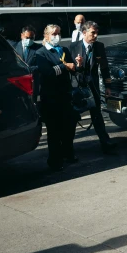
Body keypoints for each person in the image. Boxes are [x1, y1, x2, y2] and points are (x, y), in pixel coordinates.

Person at [36, 24, 83, 171]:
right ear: (46, 36)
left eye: (58, 33)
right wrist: (65, 67)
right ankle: (55, 160)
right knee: (54, 132)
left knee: (69, 128)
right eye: (54, 34)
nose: (57, 36)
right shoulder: (41, 53)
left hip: (66, 96)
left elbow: (74, 70)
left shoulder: (64, 50)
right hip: (50, 98)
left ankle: (68, 153)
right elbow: (47, 73)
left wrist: (78, 65)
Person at [70, 21, 119, 155]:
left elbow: (104, 67)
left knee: (97, 115)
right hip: (78, 86)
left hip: (93, 86)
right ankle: (68, 148)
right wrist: (78, 64)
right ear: (84, 33)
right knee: (73, 117)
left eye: (97, 32)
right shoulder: (74, 46)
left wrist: (108, 86)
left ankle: (105, 143)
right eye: (93, 32)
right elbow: (71, 69)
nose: (96, 35)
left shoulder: (99, 46)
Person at [13, 25, 42, 100]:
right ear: (22, 35)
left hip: (32, 81)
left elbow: (41, 65)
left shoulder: (39, 48)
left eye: (31, 38)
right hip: (17, 81)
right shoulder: (14, 47)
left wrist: (29, 69)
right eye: (27, 37)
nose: (29, 40)